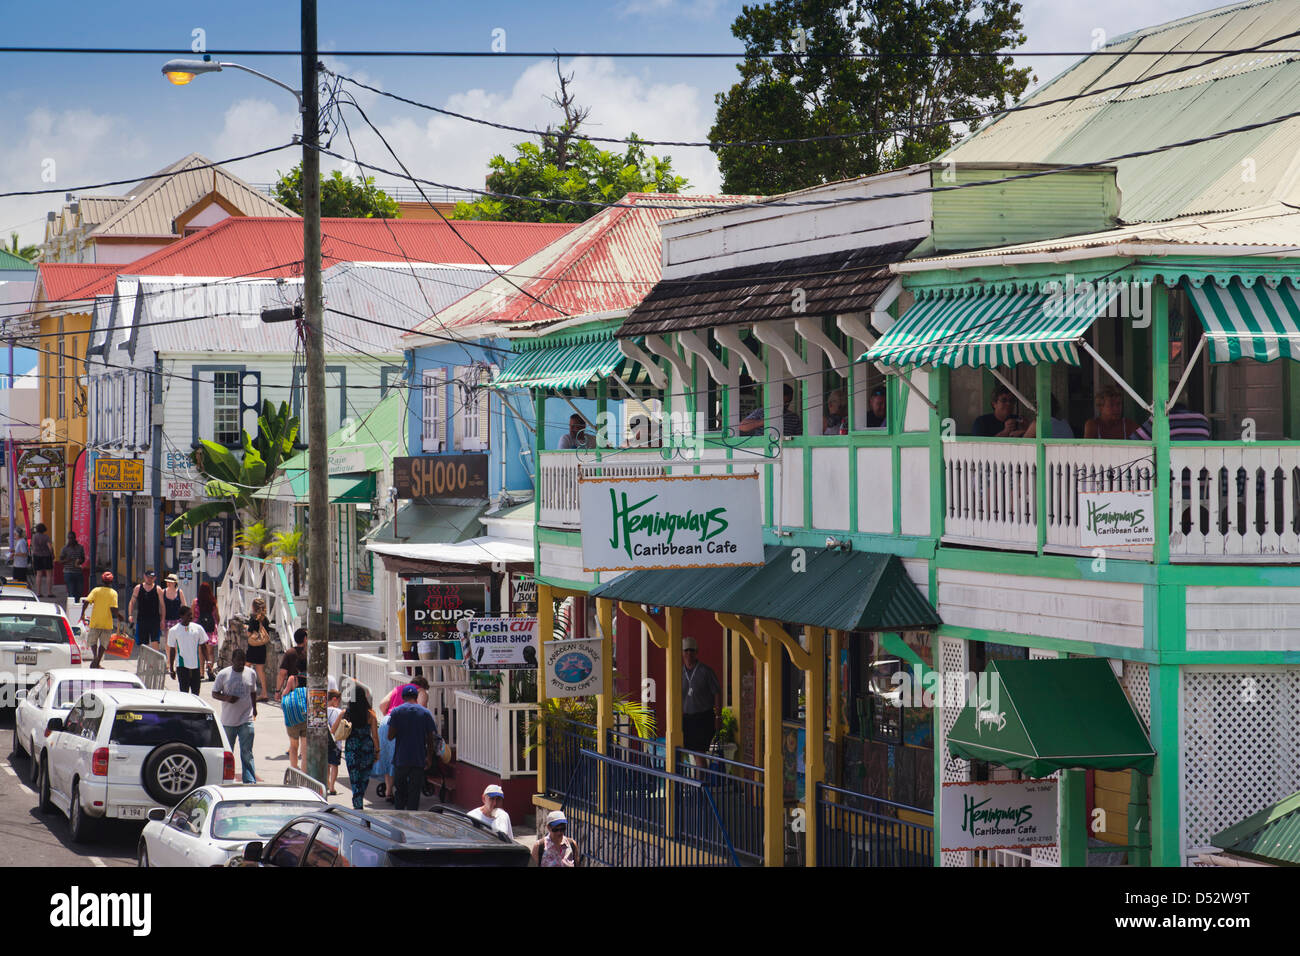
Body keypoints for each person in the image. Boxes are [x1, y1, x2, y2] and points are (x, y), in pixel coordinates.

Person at [387, 683, 442, 811]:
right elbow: (430, 738)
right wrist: (428, 757)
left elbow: (390, 736)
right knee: (415, 793)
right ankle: (412, 820)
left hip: (401, 758)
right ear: (416, 697)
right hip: (418, 758)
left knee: (400, 791)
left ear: (403, 697)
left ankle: (399, 817)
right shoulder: (425, 713)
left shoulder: (396, 712)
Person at [211, 647, 260, 783]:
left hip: (246, 719)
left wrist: (254, 708)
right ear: (232, 661)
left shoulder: (251, 673)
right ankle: (225, 779)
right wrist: (227, 698)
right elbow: (214, 693)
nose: (241, 664)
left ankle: (249, 780)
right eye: (238, 661)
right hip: (229, 721)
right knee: (228, 752)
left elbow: (253, 692)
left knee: (247, 752)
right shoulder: (223, 674)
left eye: (243, 662)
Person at [342, 685, 381, 809]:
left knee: (354, 777)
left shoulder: (347, 713)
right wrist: (377, 751)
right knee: (364, 777)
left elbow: (335, 729)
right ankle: (358, 801)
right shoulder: (371, 714)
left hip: (352, 749)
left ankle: (357, 802)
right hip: (366, 749)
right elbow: (375, 736)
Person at [681, 636, 722, 753]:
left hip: (703, 718)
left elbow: (717, 693)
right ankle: (701, 771)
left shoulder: (706, 671)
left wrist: (718, 717)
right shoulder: (679, 673)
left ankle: (702, 771)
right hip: (687, 718)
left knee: (699, 752)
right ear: (682, 652)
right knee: (690, 752)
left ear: (696, 652)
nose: (689, 653)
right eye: (686, 650)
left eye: (692, 650)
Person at [81, 571, 121, 668]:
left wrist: (82, 614)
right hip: (107, 623)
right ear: (111, 581)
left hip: (95, 621)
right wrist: (119, 616)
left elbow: (86, 602)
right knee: (103, 644)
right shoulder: (113, 593)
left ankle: (95, 657)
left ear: (102, 580)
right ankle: (98, 660)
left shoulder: (96, 590)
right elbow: (113, 608)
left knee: (93, 641)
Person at [167, 606, 207, 695]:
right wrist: (171, 669)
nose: (191, 617)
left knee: (196, 693)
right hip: (182, 666)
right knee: (184, 693)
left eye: (191, 614)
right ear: (181, 616)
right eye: (188, 615)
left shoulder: (198, 628)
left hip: (195, 666)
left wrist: (208, 661)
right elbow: (172, 650)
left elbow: (203, 646)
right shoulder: (174, 630)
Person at [738, 383, 802, 437]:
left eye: (788, 402)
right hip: (761, 448)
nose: (785, 405)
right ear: (776, 399)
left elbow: (799, 436)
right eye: (782, 402)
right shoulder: (761, 412)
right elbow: (742, 426)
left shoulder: (793, 417)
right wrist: (765, 422)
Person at [1129, 400, 1212, 441]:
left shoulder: (1161, 419)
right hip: (1200, 473)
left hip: (1171, 472)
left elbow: (1134, 441)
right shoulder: (1202, 419)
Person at [128, 569, 165, 651]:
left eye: (152, 577)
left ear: (154, 578)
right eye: (148, 577)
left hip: (154, 620)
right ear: (144, 577)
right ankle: (146, 662)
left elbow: (162, 606)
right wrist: (130, 615)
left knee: (155, 642)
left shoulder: (158, 589)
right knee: (144, 644)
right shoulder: (138, 588)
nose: (149, 579)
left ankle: (154, 663)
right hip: (142, 620)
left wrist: (162, 620)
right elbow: (131, 602)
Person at [244, 598, 272, 702]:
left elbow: (249, 634)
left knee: (245, 667)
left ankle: (244, 690)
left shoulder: (253, 619)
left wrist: (246, 628)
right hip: (262, 647)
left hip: (253, 647)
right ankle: (264, 693)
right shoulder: (265, 619)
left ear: (253, 607)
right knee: (260, 670)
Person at [193, 582, 220, 681]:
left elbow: (193, 615)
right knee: (211, 652)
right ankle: (210, 669)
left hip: (199, 629)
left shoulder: (196, 602)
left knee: (201, 652)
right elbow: (217, 616)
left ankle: (201, 673)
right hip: (210, 629)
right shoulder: (213, 602)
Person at [281, 683, 308, 772]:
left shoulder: (293, 678)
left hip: (292, 719)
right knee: (304, 749)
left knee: (293, 746)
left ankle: (294, 769)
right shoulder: (312, 677)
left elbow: (284, 695)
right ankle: (304, 773)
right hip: (305, 718)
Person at [276, 627, 308, 700]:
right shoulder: (311, 653)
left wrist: (277, 691)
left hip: (293, 691)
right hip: (309, 692)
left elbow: (282, 673)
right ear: (305, 638)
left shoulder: (290, 652)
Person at [325, 688, 344, 796]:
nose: (339, 703)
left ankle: (327, 783)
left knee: (327, 764)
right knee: (334, 765)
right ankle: (332, 786)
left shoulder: (322, 710)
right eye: (339, 701)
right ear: (334, 699)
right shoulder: (338, 712)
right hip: (336, 742)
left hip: (325, 741)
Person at [59, 532, 86, 603]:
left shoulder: (80, 547)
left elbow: (83, 558)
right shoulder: (64, 549)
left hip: (78, 572)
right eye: (69, 538)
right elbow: (61, 561)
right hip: (68, 572)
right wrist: (67, 560)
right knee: (71, 592)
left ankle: (77, 604)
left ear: (75, 538)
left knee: (79, 591)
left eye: (72, 538)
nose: (70, 540)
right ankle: (72, 606)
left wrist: (80, 561)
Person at [30, 522, 53, 599]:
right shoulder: (46, 537)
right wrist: (52, 554)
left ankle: (39, 592)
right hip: (46, 556)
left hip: (37, 556)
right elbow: (50, 547)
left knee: (38, 574)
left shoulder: (34, 537)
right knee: (49, 574)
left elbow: (33, 547)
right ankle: (49, 592)